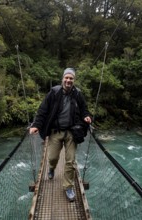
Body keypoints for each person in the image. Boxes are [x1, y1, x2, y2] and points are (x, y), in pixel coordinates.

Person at [29, 68, 92, 202]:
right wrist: (36, 125)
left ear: (74, 80)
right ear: (62, 79)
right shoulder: (54, 93)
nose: (68, 80)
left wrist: (86, 116)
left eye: (71, 78)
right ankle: (51, 168)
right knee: (52, 157)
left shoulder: (78, 94)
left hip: (71, 132)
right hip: (55, 131)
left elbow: (84, 109)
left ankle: (68, 187)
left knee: (70, 160)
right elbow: (43, 111)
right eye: (66, 78)